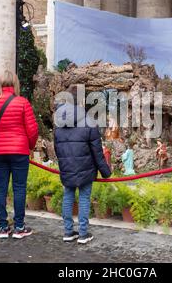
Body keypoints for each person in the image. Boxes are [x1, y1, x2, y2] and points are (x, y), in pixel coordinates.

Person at [0, 70, 38, 239]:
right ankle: (19, 227)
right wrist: (30, 146)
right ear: (15, 84)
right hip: (19, 150)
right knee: (19, 188)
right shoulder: (22, 103)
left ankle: (3, 227)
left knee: (0, 188)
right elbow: (32, 130)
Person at [54, 85, 111, 244]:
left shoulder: (59, 124)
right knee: (84, 198)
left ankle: (67, 232)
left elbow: (57, 150)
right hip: (85, 170)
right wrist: (106, 172)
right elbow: (97, 153)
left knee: (68, 196)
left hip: (67, 169)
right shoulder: (89, 122)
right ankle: (83, 233)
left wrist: (64, 166)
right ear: (81, 102)